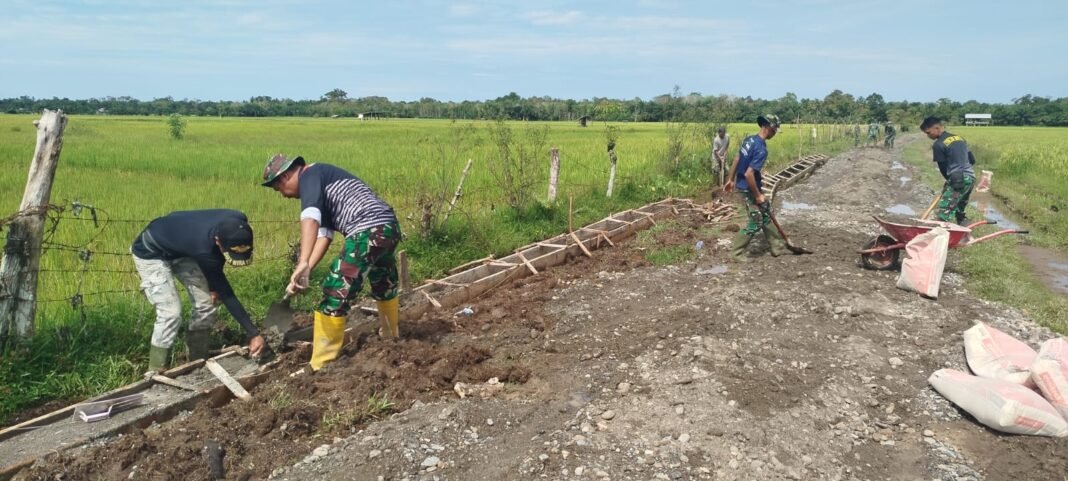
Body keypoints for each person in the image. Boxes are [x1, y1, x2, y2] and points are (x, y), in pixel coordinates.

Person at [261, 154, 401, 371]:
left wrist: (303, 260)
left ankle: (320, 364)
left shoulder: (309, 175)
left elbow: (310, 217)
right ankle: (391, 336)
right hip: (387, 228)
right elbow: (324, 235)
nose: (283, 196)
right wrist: (306, 268)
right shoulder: (322, 180)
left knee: (336, 289)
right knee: (383, 281)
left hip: (367, 230)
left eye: (279, 189)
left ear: (286, 176)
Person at [131, 209, 265, 371]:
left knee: (207, 303)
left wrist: (213, 287)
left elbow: (217, 256)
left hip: (183, 248)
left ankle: (197, 360)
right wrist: (253, 333)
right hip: (151, 251)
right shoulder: (203, 249)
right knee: (170, 313)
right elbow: (227, 294)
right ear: (217, 240)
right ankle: (155, 369)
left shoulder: (238, 221)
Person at [724, 115, 787, 260]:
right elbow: (749, 174)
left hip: (746, 184)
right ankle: (736, 253)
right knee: (756, 219)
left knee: (766, 211)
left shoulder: (749, 140)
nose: (775, 133)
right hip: (747, 188)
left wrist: (730, 179)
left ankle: (777, 245)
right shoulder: (761, 149)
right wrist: (758, 195)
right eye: (775, 129)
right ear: (769, 127)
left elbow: (737, 158)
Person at [920, 116, 975, 225]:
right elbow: (972, 160)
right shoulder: (960, 138)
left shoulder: (938, 144)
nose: (928, 136)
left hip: (957, 179)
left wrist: (950, 181)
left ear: (936, 128)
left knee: (944, 211)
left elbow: (943, 168)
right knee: (959, 207)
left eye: (928, 132)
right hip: (970, 178)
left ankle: (937, 235)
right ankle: (964, 233)